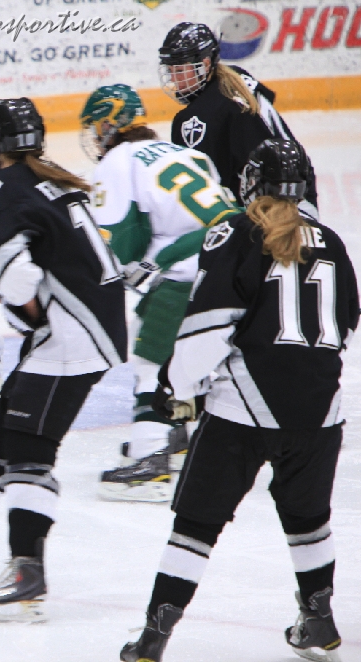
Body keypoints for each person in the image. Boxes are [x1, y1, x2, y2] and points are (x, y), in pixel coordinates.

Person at [120, 139, 358, 662]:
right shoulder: (335, 243)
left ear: (252, 184)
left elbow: (207, 329)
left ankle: (153, 638)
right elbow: (344, 326)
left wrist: (174, 386)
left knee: (196, 524)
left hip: (243, 411)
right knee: (309, 520)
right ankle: (319, 620)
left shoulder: (236, 233)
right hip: (320, 412)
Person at [0, 98, 127, 621]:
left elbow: (18, 278)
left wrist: (26, 309)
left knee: (30, 447)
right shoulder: (48, 180)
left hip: (69, 334)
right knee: (0, 429)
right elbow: (38, 253)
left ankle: (27, 574)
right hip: (91, 323)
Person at [78, 84, 241, 502]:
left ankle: (150, 462)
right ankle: (179, 435)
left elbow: (118, 241)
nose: (94, 136)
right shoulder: (182, 153)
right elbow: (220, 216)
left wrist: (113, 265)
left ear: (109, 124)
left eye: (96, 126)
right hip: (237, 266)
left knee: (150, 357)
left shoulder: (117, 160)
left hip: (188, 271)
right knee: (186, 350)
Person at [159, 22, 319, 217]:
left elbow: (202, 196)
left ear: (205, 65)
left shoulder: (196, 118)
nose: (174, 79)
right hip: (302, 198)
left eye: (179, 71)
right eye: (170, 71)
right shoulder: (237, 79)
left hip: (274, 215)